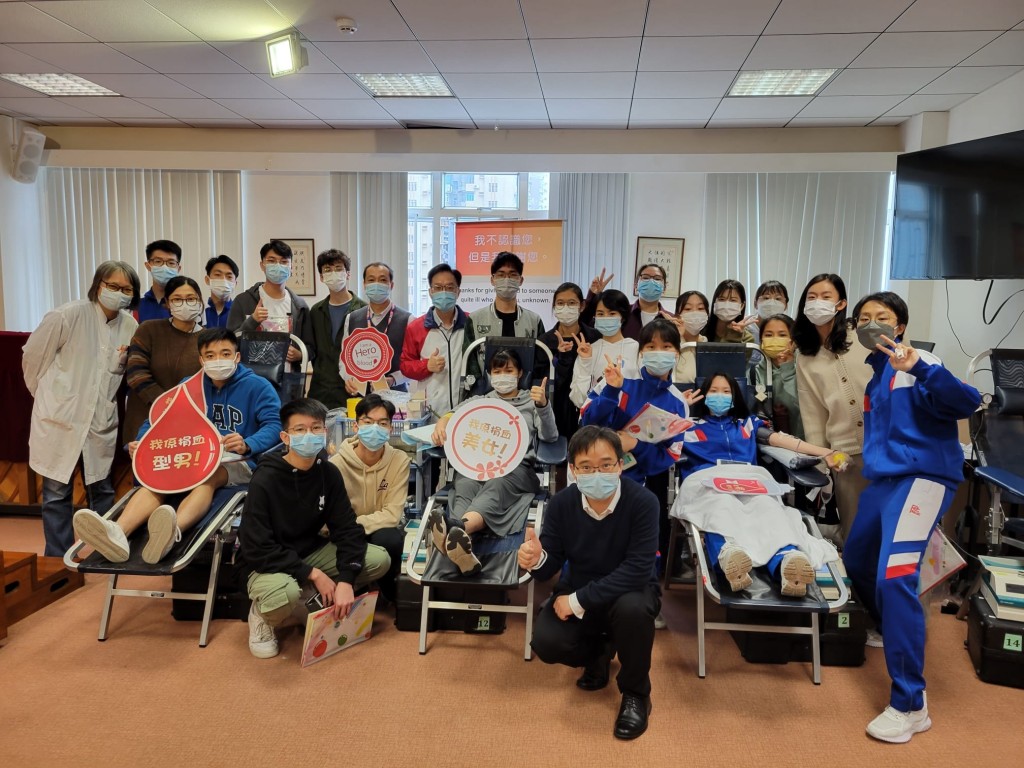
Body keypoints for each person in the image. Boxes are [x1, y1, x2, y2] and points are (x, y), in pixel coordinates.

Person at [842, 292, 980, 744]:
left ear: (899, 326)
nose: (871, 323)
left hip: (922, 479)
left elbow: (967, 402)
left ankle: (910, 703)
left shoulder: (920, 362)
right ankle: (890, 627)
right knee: (856, 559)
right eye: (863, 318)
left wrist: (920, 366)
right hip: (883, 483)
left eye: (881, 317)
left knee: (894, 578)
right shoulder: (875, 377)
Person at [72, 328, 282, 565]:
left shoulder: (258, 386)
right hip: (189, 455)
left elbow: (275, 425)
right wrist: (142, 442)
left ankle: (172, 533)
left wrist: (248, 443)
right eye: (210, 355)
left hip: (234, 459)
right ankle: (118, 533)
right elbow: (157, 420)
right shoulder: (188, 386)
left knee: (208, 477)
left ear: (237, 356)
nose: (218, 360)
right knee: (158, 480)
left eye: (225, 353)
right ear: (201, 360)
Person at [521, 426, 660, 740]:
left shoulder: (644, 502)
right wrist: (536, 559)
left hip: (630, 591)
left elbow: (638, 570)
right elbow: (549, 566)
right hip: (580, 585)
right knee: (547, 643)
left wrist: (577, 600)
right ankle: (599, 652)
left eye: (606, 464)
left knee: (633, 610)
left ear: (620, 465)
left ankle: (636, 694)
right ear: (573, 469)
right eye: (586, 467)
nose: (597, 473)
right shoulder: (562, 504)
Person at [238, 398, 392, 659]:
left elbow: (347, 529)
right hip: (264, 562)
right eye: (300, 429)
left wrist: (346, 579)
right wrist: (313, 573)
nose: (309, 435)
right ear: (285, 437)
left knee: (379, 559)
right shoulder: (265, 478)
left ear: (325, 432)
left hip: (309, 551)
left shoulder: (328, 473)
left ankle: (308, 593)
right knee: (284, 594)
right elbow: (256, 546)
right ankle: (263, 614)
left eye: (316, 428)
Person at [677, 371, 845, 595]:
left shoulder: (748, 424)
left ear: (735, 396)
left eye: (726, 391)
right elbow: (654, 433)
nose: (720, 396)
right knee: (721, 507)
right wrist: (679, 407)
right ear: (704, 396)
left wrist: (825, 452)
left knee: (768, 509)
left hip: (749, 480)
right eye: (714, 391)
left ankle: (787, 561)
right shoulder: (688, 426)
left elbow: (783, 441)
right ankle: (729, 556)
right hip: (709, 480)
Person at [580, 318, 700, 624]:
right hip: (597, 474)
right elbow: (586, 422)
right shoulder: (620, 378)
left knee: (638, 542)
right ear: (641, 352)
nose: (658, 352)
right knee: (592, 541)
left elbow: (669, 455)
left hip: (639, 482)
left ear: (677, 353)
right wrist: (612, 390)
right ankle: (585, 599)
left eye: (666, 346)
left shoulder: (677, 403)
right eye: (651, 346)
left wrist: (636, 445)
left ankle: (642, 603)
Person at [23, 261, 140, 556]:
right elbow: (32, 358)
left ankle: (104, 554)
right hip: (59, 420)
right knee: (55, 495)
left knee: (102, 492)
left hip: (100, 422)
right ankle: (57, 559)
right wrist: (49, 398)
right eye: (113, 286)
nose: (119, 293)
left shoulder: (130, 326)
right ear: (98, 285)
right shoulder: (67, 316)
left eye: (126, 289)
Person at [426, 348, 558, 575]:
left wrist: (543, 406)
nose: (502, 376)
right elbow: (452, 415)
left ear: (520, 374)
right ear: (489, 375)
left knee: (497, 483)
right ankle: (462, 547)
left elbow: (550, 436)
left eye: (509, 370)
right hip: (478, 468)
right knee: (464, 482)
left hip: (517, 471)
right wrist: (442, 424)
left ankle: (457, 528)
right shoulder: (480, 402)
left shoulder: (532, 402)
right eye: (497, 371)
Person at [793, 273, 874, 543]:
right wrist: (823, 462)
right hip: (846, 455)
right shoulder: (806, 356)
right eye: (812, 297)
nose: (818, 302)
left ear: (841, 303)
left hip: (884, 445)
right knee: (855, 531)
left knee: (890, 526)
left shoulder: (863, 335)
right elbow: (813, 412)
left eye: (825, 296)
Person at [330, 394, 410, 603]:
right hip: (344, 534)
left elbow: (392, 515)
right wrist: (349, 529)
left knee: (390, 539)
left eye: (382, 423)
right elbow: (332, 519)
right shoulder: (336, 464)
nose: (375, 428)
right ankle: (357, 588)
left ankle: (389, 594)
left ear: (390, 428)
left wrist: (355, 525)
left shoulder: (399, 460)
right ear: (356, 426)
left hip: (375, 528)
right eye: (368, 422)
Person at [124, 275, 205, 444]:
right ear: (167, 303)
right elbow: (136, 373)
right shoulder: (149, 329)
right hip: (146, 421)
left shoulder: (208, 338)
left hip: (189, 424)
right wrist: (166, 403)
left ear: (200, 302)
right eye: (177, 299)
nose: (185, 304)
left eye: (191, 298)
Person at [227, 239, 315, 370]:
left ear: (291, 267)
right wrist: (252, 320)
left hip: (288, 379)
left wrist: (300, 354)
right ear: (262, 265)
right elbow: (229, 344)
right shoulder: (243, 301)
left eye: (284, 262)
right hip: (251, 378)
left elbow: (311, 348)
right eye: (272, 261)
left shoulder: (300, 306)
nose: (278, 266)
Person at [462, 251, 547, 386]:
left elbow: (540, 363)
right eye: (501, 274)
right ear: (492, 280)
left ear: (521, 280)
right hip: (486, 394)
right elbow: (469, 363)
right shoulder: (475, 319)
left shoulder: (534, 321)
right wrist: (479, 391)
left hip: (524, 393)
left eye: (512, 275)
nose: (506, 279)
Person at [400, 263, 467, 420]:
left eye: (449, 287)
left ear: (458, 292)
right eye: (438, 288)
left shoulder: (470, 324)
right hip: (431, 410)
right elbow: (405, 366)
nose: (444, 292)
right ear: (430, 292)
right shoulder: (416, 327)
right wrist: (426, 366)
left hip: (464, 409)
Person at [539, 282, 599, 444]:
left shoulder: (594, 337)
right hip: (556, 408)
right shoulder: (544, 341)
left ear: (582, 306)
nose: (566, 308)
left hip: (587, 408)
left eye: (572, 303)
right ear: (554, 307)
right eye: (560, 303)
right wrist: (562, 358)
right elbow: (546, 383)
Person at [308, 249, 366, 409]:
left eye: (339, 268)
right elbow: (312, 350)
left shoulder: (364, 311)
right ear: (321, 277)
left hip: (352, 390)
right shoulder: (316, 311)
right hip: (321, 390)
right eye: (328, 270)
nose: (333, 273)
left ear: (348, 274)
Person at [342, 261, 411, 394]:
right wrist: (348, 379)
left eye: (383, 280)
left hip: (396, 396)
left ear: (391, 285)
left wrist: (393, 379)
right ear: (364, 284)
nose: (377, 284)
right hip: (361, 396)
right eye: (371, 280)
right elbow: (344, 358)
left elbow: (413, 363)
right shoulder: (352, 319)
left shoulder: (407, 319)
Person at [569, 289, 639, 409]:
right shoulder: (588, 351)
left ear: (622, 317)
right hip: (595, 417)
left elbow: (642, 391)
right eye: (600, 314)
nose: (606, 318)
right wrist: (585, 362)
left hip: (629, 417)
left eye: (612, 313)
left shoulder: (636, 348)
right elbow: (579, 400)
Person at [580, 264, 668, 341]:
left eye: (657, 279)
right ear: (636, 285)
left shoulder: (670, 320)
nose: (651, 282)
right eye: (645, 278)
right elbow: (583, 325)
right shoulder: (620, 312)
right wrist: (594, 296)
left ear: (664, 287)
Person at [753, 313, 803, 439]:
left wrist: (788, 367)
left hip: (804, 437)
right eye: (768, 335)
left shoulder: (805, 367)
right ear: (761, 340)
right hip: (768, 440)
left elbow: (802, 404)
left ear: (793, 339)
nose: (775, 339)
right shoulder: (755, 372)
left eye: (782, 335)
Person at [669, 289, 710, 383]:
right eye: (687, 309)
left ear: (707, 314)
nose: (695, 313)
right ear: (677, 316)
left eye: (700, 308)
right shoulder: (669, 345)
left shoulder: (709, 346)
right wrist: (678, 338)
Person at [136, 239, 181, 322]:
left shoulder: (185, 303)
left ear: (178, 268)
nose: (164, 267)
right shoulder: (137, 303)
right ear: (148, 266)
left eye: (171, 263)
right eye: (158, 261)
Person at [707, 279, 755, 345]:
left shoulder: (747, 338)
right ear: (715, 303)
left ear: (742, 306)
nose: (726, 304)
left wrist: (734, 335)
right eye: (722, 299)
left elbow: (727, 352)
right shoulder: (702, 331)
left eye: (733, 300)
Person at [204, 254, 238, 329]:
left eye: (229, 276)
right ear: (207, 280)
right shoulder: (199, 312)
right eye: (218, 275)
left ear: (235, 283)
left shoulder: (239, 312)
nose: (223, 280)